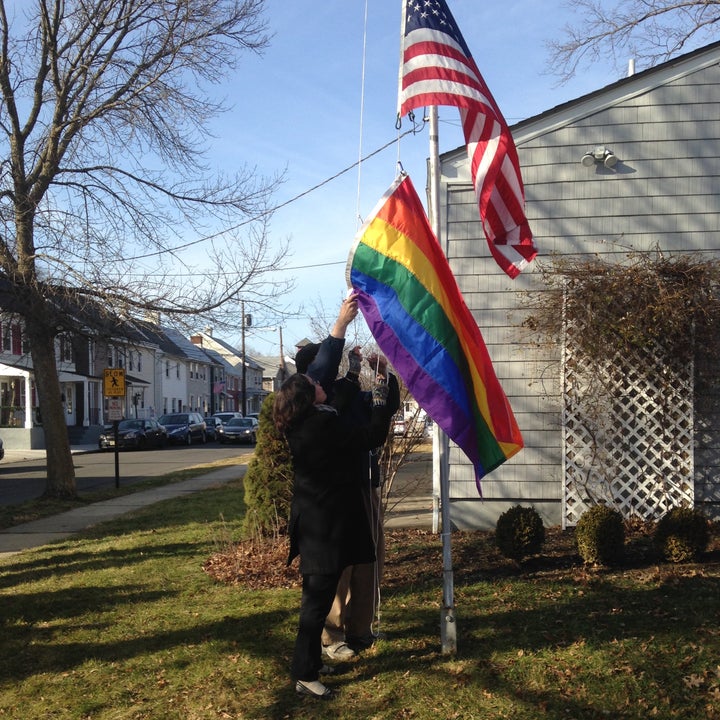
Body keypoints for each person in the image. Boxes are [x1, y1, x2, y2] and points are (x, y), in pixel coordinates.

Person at [273, 370, 394, 699]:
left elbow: (338, 402)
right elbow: (370, 436)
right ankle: (304, 674)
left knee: (317, 600)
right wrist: (380, 401)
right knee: (314, 607)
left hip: (317, 525)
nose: (321, 384)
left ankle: (311, 661)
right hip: (324, 529)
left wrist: (355, 373)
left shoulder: (308, 422)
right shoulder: (320, 425)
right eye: (314, 385)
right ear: (308, 397)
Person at [297, 337, 399, 660]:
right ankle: (332, 634)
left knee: (370, 557)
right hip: (337, 493)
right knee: (337, 566)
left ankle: (360, 628)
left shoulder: (346, 390)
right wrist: (353, 377)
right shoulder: (311, 405)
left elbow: (384, 406)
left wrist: (383, 378)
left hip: (365, 485)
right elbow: (364, 427)